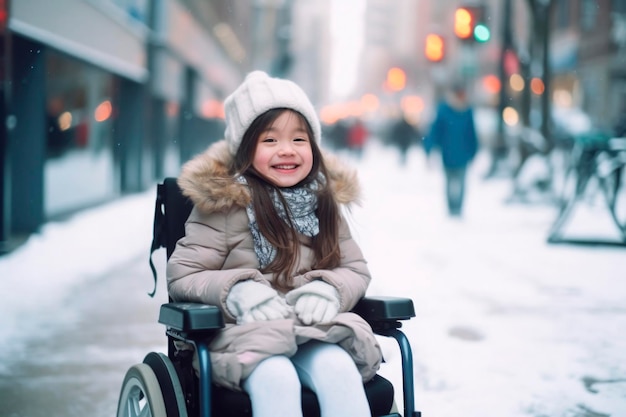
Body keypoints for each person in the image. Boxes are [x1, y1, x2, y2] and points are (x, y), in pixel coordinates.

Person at [166, 71, 380, 417]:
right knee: (276, 377)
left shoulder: (324, 202)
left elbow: (354, 268)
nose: (287, 151)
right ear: (244, 149)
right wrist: (238, 291)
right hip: (242, 334)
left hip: (313, 331)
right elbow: (183, 276)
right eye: (269, 140)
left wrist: (329, 290)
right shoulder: (223, 205)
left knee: (339, 370)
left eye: (299, 140)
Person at [423, 83, 479, 217]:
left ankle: (458, 209)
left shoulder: (467, 111)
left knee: (461, 183)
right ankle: (451, 209)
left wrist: (473, 151)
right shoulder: (444, 110)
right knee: (449, 183)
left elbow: (472, 133)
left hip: (462, 154)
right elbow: (435, 131)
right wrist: (429, 147)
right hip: (448, 154)